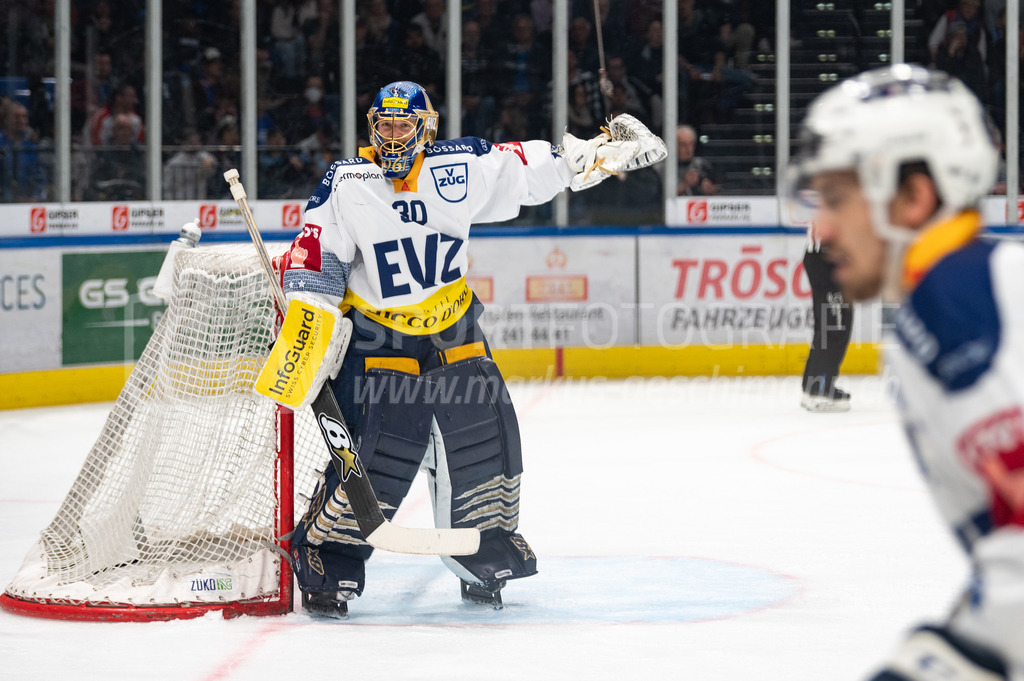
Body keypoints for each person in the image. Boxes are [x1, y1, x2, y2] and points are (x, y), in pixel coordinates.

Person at [278, 80, 662, 618]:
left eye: (403, 126)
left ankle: (484, 549)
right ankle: (329, 556)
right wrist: (309, 319)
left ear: (426, 128)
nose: (392, 138)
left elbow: (533, 168)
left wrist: (597, 153)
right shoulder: (347, 181)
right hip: (379, 337)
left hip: (454, 328)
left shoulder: (458, 166)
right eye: (383, 126)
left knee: (489, 439)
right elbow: (317, 251)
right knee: (381, 454)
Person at [792, 64, 1024, 679]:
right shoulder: (967, 289)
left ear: (914, 196)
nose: (826, 227)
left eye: (839, 199)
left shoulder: (959, 303)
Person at [800, 223, 853, 412]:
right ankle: (818, 389)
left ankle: (814, 384)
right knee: (835, 327)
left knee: (828, 325)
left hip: (823, 257)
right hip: (826, 258)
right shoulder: (840, 196)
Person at [675, 124, 717, 196]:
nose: (688, 149)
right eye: (683, 145)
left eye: (691, 144)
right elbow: (656, 200)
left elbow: (720, 196)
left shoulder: (703, 166)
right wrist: (684, 185)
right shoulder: (661, 169)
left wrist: (710, 190)